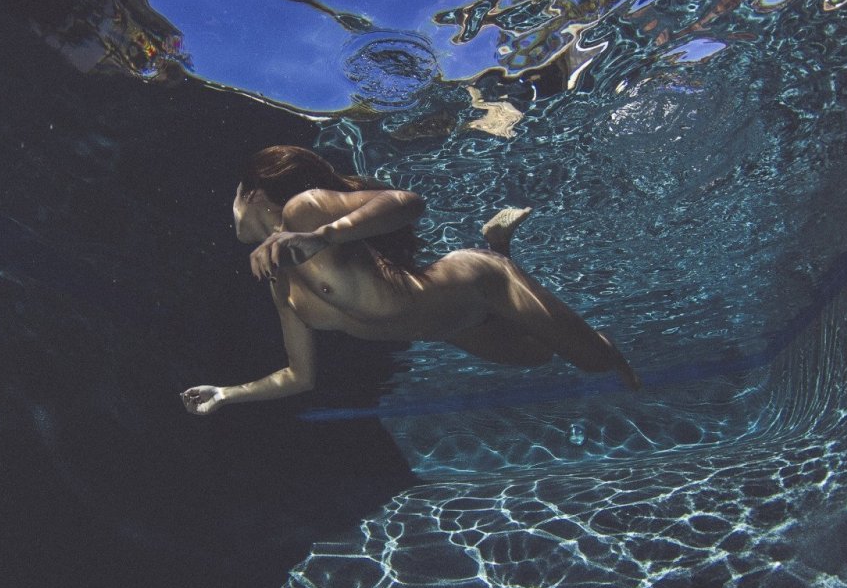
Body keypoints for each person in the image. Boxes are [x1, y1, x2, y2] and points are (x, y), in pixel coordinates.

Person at [182, 146, 640, 415]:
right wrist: (227, 393)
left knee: (595, 361)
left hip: (478, 283)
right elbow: (299, 377)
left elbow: (407, 201)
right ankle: (498, 240)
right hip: (452, 327)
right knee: (538, 356)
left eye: (233, 200)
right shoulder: (280, 285)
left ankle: (494, 255)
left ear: (252, 194)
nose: (231, 214)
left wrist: (322, 236)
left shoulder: (307, 208)